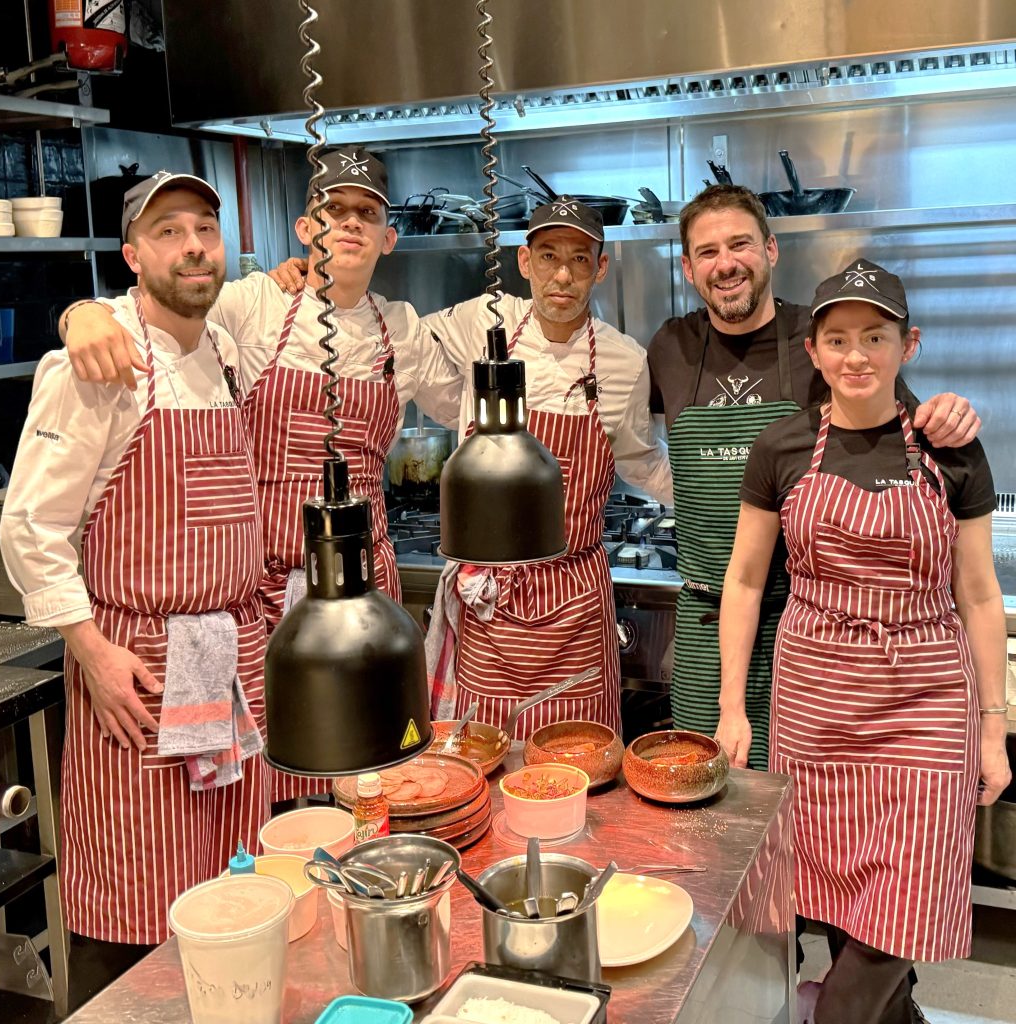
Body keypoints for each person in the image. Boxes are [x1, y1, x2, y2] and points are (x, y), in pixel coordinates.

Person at [57, 147, 463, 804]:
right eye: (332, 211)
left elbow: (467, 408)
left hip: (365, 590)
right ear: (305, 229)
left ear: (389, 238)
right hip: (264, 595)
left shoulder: (404, 333)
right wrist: (83, 314)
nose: (349, 224)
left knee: (369, 773)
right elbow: (157, 311)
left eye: (366, 213)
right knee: (274, 787)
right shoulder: (257, 304)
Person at [716, 259, 1011, 1024]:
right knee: (832, 901)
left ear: (907, 345)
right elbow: (745, 582)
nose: (856, 355)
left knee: (896, 910)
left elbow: (978, 594)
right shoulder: (780, 448)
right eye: (837, 338)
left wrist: (994, 726)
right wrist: (732, 707)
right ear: (812, 351)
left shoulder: (951, 450)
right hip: (816, 702)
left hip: (924, 704)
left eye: (874, 337)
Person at [1, 172, 271, 945]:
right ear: (131, 255)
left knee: (234, 893)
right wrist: (90, 651)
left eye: (205, 231)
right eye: (168, 231)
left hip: (230, 664)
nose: (192, 247)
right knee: (150, 894)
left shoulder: (224, 349)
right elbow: (30, 528)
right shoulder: (97, 365)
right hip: (142, 667)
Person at [647, 185, 981, 768]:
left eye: (741, 244)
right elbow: (639, 448)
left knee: (800, 815)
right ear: (686, 266)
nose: (726, 264)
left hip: (805, 630)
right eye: (707, 252)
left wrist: (950, 412)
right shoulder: (671, 347)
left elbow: (905, 425)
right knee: (706, 812)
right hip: (706, 625)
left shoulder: (823, 338)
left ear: (772, 250)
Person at [421, 198, 671, 738]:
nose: (563, 274)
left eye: (580, 259)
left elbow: (640, 461)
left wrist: (719, 501)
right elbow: (401, 347)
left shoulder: (625, 361)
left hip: (574, 602)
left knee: (580, 766)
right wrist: (298, 284)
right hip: (487, 602)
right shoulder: (479, 324)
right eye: (549, 255)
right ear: (524, 261)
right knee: (483, 763)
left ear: (601, 268)